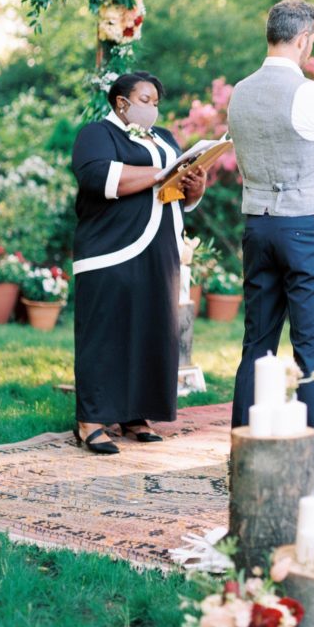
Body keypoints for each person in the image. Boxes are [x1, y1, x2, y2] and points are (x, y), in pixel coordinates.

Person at [228, 0, 314, 493]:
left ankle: (243, 458)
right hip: (303, 228)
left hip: (256, 226)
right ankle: (311, 470)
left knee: (257, 344)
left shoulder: (239, 92)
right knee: (310, 349)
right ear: (303, 39)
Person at [71, 71, 206, 454]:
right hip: (109, 249)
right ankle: (92, 419)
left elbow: (178, 192)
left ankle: (135, 415)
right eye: (145, 100)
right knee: (107, 333)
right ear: (121, 103)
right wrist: (164, 173)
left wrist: (195, 186)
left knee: (151, 329)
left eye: (156, 102)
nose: (153, 108)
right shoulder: (97, 134)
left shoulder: (164, 139)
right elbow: (101, 178)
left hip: (159, 248)